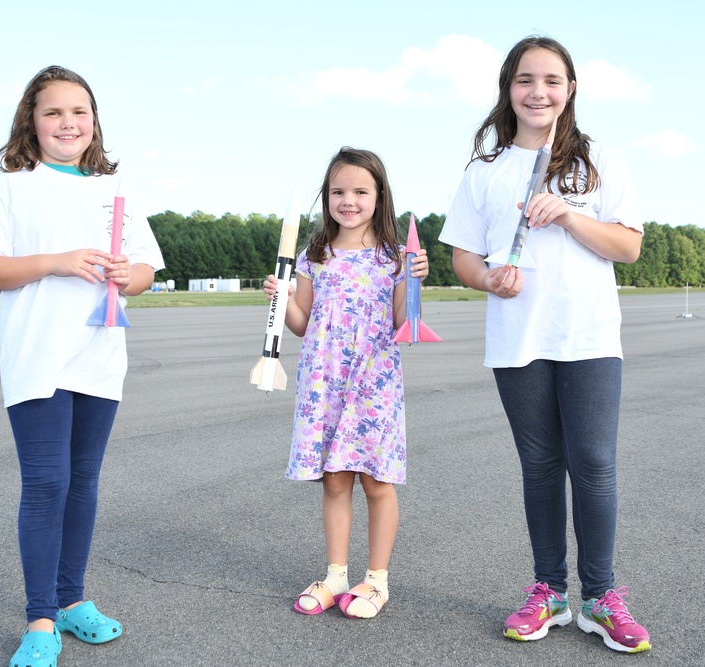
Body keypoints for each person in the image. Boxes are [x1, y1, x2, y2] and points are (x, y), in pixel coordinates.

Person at [438, 37, 651, 653]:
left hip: (587, 336)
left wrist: (568, 215)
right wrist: (488, 279)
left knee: (594, 463)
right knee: (539, 466)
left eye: (552, 80)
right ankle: (549, 591)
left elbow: (628, 246)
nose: (539, 92)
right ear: (509, 88)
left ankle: (601, 598)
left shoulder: (598, 159)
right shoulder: (484, 169)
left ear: (571, 89)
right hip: (518, 338)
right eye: (526, 80)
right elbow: (462, 257)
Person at [0, 65, 164, 667]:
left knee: (83, 483)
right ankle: (41, 619)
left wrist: (129, 277)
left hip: (99, 357)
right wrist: (57, 260)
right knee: (46, 484)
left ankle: (74, 601)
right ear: (32, 119)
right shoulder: (10, 187)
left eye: (79, 112)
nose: (67, 123)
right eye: (53, 112)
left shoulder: (115, 190)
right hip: (38, 358)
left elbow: (147, 272)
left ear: (94, 121)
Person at [263, 147, 428, 619]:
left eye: (360, 191)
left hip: (373, 385)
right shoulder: (314, 255)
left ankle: (376, 580)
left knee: (376, 480)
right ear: (326, 197)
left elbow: (404, 324)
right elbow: (301, 323)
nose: (348, 200)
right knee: (334, 480)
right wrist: (282, 297)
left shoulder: (396, 258)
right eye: (338, 192)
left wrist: (415, 284)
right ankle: (336, 574)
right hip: (324, 381)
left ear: (380, 196)